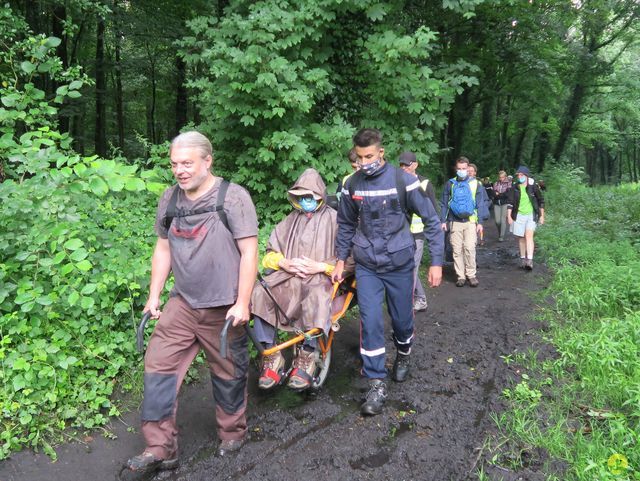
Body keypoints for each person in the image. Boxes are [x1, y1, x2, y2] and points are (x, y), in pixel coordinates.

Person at [125, 132, 259, 476]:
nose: (180, 171)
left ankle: (232, 434)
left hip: (224, 309)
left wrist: (243, 302)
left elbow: (249, 252)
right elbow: (163, 247)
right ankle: (160, 448)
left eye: (187, 163)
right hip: (182, 305)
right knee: (158, 369)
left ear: (207, 161)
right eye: (174, 164)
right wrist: (154, 295)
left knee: (229, 374)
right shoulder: (170, 199)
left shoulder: (233, 198)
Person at [332, 128, 444, 416]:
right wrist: (339, 260)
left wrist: (435, 263)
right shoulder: (352, 185)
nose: (364, 162)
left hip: (399, 264)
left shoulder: (403, 181)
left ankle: (404, 354)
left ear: (381, 152)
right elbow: (345, 224)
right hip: (368, 265)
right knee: (369, 322)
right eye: (359, 157)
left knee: (402, 320)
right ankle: (376, 382)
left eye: (369, 156)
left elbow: (431, 220)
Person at [251, 168, 348, 391]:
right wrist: (284, 263)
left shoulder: (337, 220)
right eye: (301, 197)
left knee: (315, 296)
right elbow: (268, 255)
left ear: (319, 196)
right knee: (259, 292)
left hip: (321, 278)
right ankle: (271, 354)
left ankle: (308, 353)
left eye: (309, 197)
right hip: (289, 276)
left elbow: (350, 260)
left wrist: (322, 266)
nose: (305, 201)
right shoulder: (288, 222)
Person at [398, 151, 439, 312]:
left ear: (415, 165)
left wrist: (434, 231)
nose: (404, 168)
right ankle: (420, 299)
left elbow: (432, 210)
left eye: (406, 165)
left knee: (411, 269)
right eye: (401, 165)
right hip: (402, 234)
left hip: (418, 234)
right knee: (409, 268)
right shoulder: (398, 182)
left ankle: (407, 305)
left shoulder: (424, 183)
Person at [440, 156, 489, 287]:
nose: (461, 170)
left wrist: (480, 223)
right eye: (459, 168)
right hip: (454, 221)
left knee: (469, 248)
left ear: (468, 169)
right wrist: (443, 221)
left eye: (464, 168)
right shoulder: (449, 184)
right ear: (456, 169)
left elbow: (480, 204)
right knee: (456, 250)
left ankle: (471, 275)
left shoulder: (475, 184)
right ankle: (460, 276)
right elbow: (444, 203)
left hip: (470, 221)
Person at [507, 166, 545, 270]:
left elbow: (541, 201)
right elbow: (510, 202)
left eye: (522, 175)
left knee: (529, 236)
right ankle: (523, 258)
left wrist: (542, 216)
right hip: (518, 215)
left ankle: (530, 260)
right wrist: (509, 216)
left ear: (527, 176)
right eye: (518, 175)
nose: (520, 177)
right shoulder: (515, 187)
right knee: (521, 238)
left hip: (531, 215)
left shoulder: (533, 187)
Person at [492, 170, 511, 242]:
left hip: (505, 203)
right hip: (496, 203)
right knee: (497, 221)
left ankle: (501, 236)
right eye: (500, 177)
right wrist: (499, 194)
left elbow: (507, 194)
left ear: (505, 177)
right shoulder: (496, 183)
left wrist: (499, 194)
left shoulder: (508, 184)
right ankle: (500, 232)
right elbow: (493, 193)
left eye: (503, 177)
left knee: (503, 220)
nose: (501, 178)